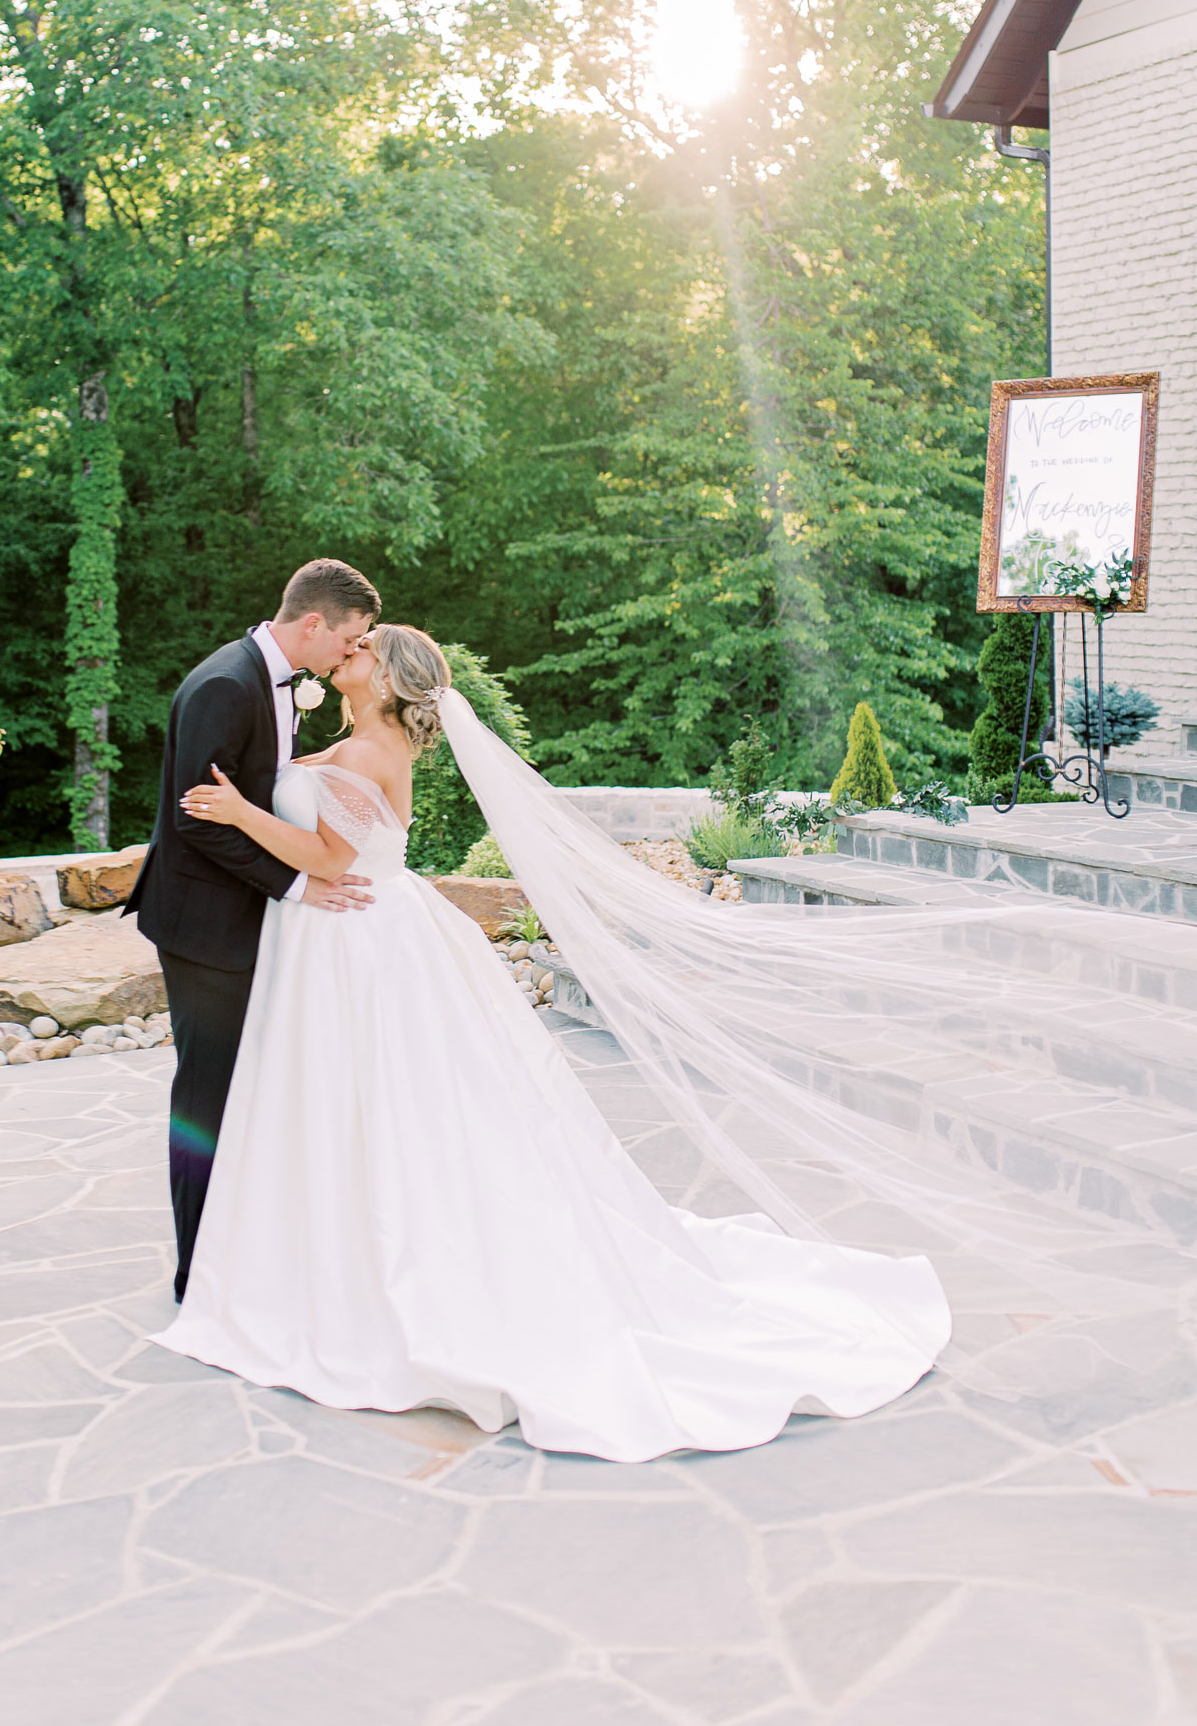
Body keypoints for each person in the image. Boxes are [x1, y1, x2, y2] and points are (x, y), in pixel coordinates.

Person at [154, 623, 951, 1461]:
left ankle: (361, 1273)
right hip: (362, 934)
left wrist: (243, 810)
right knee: (365, 1107)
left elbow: (326, 856)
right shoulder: (359, 743)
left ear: (387, 681)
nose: (350, 652)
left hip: (355, 940)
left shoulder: (361, 755)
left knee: (374, 1105)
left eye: (365, 649)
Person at [123, 558, 380, 1302]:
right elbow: (196, 820)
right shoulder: (225, 686)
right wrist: (301, 884)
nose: (348, 652)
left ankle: (239, 1247)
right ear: (312, 624)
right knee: (206, 1095)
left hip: (244, 920)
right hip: (204, 926)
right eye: (349, 638)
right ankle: (195, 1271)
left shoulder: (270, 683)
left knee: (249, 1088)